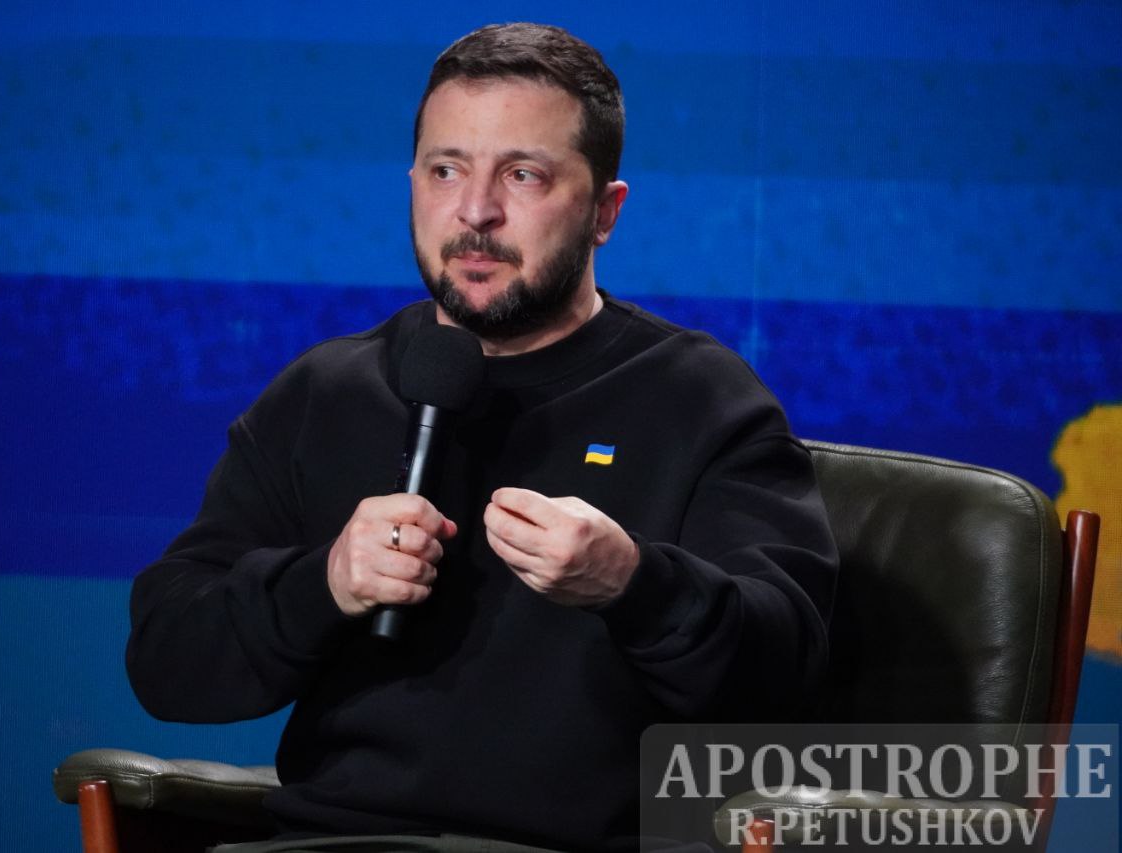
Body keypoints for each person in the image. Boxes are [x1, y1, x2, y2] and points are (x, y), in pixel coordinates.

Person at [126, 22, 838, 852]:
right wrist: (325, 583)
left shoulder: (700, 399)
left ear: (605, 212)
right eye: (446, 170)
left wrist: (633, 583)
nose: (474, 211)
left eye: (523, 174)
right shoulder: (327, 391)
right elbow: (167, 658)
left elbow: (785, 674)